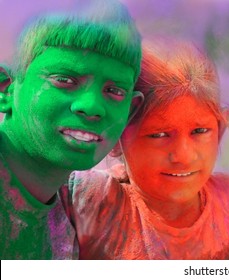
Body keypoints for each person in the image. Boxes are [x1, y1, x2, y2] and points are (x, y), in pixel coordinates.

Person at [61, 40, 229, 260]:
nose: (183, 156)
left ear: (220, 128)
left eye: (200, 131)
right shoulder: (94, 201)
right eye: (159, 135)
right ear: (114, 137)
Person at [0, 0, 142, 259]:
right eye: (64, 80)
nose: (92, 107)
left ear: (130, 111)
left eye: (114, 91)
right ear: (6, 87)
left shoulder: (78, 210)